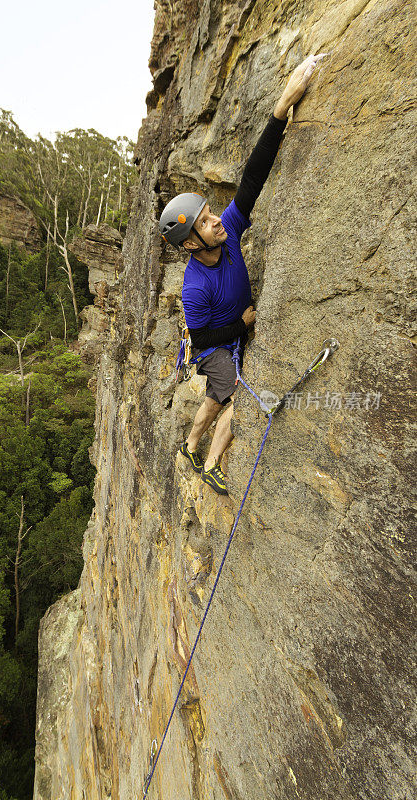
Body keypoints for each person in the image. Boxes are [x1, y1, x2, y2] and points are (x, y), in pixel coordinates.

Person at [160, 54, 327, 495]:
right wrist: (244, 324)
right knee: (228, 391)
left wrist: (282, 108)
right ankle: (210, 459)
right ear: (191, 244)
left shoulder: (228, 231)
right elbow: (201, 341)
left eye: (210, 213)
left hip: (231, 327)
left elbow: (252, 178)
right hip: (213, 339)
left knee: (215, 398)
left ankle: (190, 443)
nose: (216, 220)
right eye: (204, 222)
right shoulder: (195, 287)